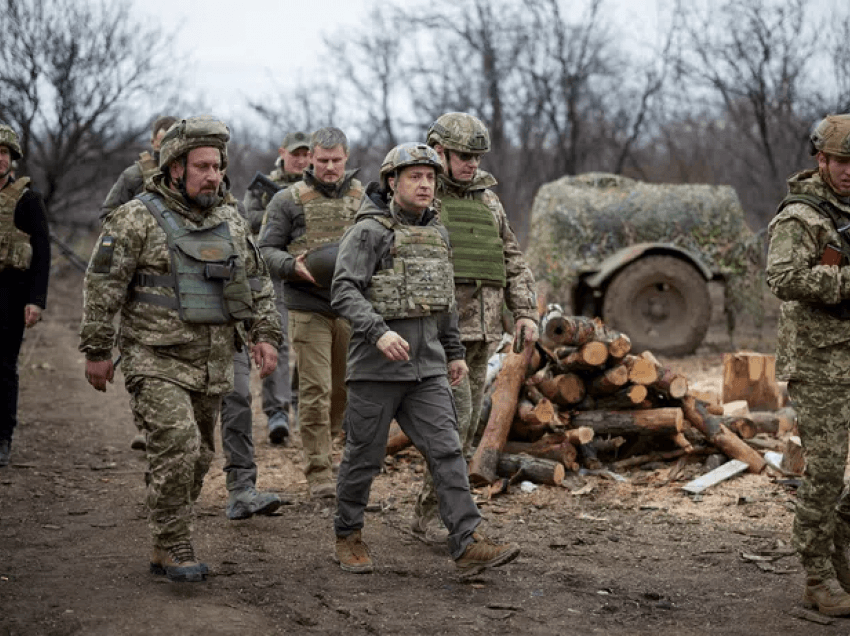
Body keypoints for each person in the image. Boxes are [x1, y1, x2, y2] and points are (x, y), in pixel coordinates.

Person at [79, 116, 282, 582]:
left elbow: (256, 282)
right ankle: (175, 543)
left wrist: (264, 333)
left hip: (211, 361)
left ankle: (161, 534)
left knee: (198, 458)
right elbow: (103, 284)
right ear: (174, 168)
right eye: (203, 166)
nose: (214, 175)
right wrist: (96, 348)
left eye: (218, 166)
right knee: (177, 443)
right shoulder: (137, 217)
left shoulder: (230, 219)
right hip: (154, 357)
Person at [330, 142, 520, 577]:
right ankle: (348, 533)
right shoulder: (368, 231)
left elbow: (445, 300)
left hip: (427, 369)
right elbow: (343, 290)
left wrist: (453, 352)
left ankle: (467, 540)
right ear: (392, 182)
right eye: (414, 176)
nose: (424, 184)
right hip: (376, 369)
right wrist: (378, 333)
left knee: (447, 450)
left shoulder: (438, 232)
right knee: (364, 455)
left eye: (430, 177)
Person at [410, 112, 538, 543]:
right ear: (439, 150)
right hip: (440, 335)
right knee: (455, 424)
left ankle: (445, 511)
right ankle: (438, 516)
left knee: (462, 430)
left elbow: (511, 257)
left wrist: (524, 311)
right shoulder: (421, 197)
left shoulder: (487, 201)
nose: (472, 164)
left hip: (482, 333)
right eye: (463, 156)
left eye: (477, 157)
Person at [767, 113, 850, 616]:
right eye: (842, 163)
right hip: (819, 363)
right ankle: (817, 577)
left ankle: (842, 559)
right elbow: (781, 278)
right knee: (825, 475)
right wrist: (844, 282)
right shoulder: (802, 216)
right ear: (821, 160)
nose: (849, 172)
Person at [259, 127, 360, 500]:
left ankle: (331, 445)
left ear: (346, 158)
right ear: (311, 160)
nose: (330, 168)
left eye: (336, 161)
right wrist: (290, 266)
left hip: (350, 306)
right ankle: (318, 469)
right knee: (315, 388)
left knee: (342, 390)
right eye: (322, 161)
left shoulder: (363, 199)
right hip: (306, 305)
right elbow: (265, 250)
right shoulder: (288, 200)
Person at [235, 131, 311, 447]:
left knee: (308, 342)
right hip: (273, 271)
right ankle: (277, 412)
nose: (302, 159)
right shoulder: (262, 187)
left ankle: (298, 403)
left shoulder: (314, 186)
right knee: (275, 339)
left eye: (307, 154)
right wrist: (281, 211)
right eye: (297, 153)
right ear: (283, 152)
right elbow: (248, 219)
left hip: (309, 272)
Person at [0, 124, 51, 468]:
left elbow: (43, 253)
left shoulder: (28, 200)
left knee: (3, 368)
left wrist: (35, 300)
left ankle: (3, 436)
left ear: (12, 159)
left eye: (3, 153)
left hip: (11, 295)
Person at [99, 115, 178, 220]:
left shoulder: (191, 172)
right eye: (162, 144)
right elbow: (108, 215)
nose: (167, 149)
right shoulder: (134, 175)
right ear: (153, 142)